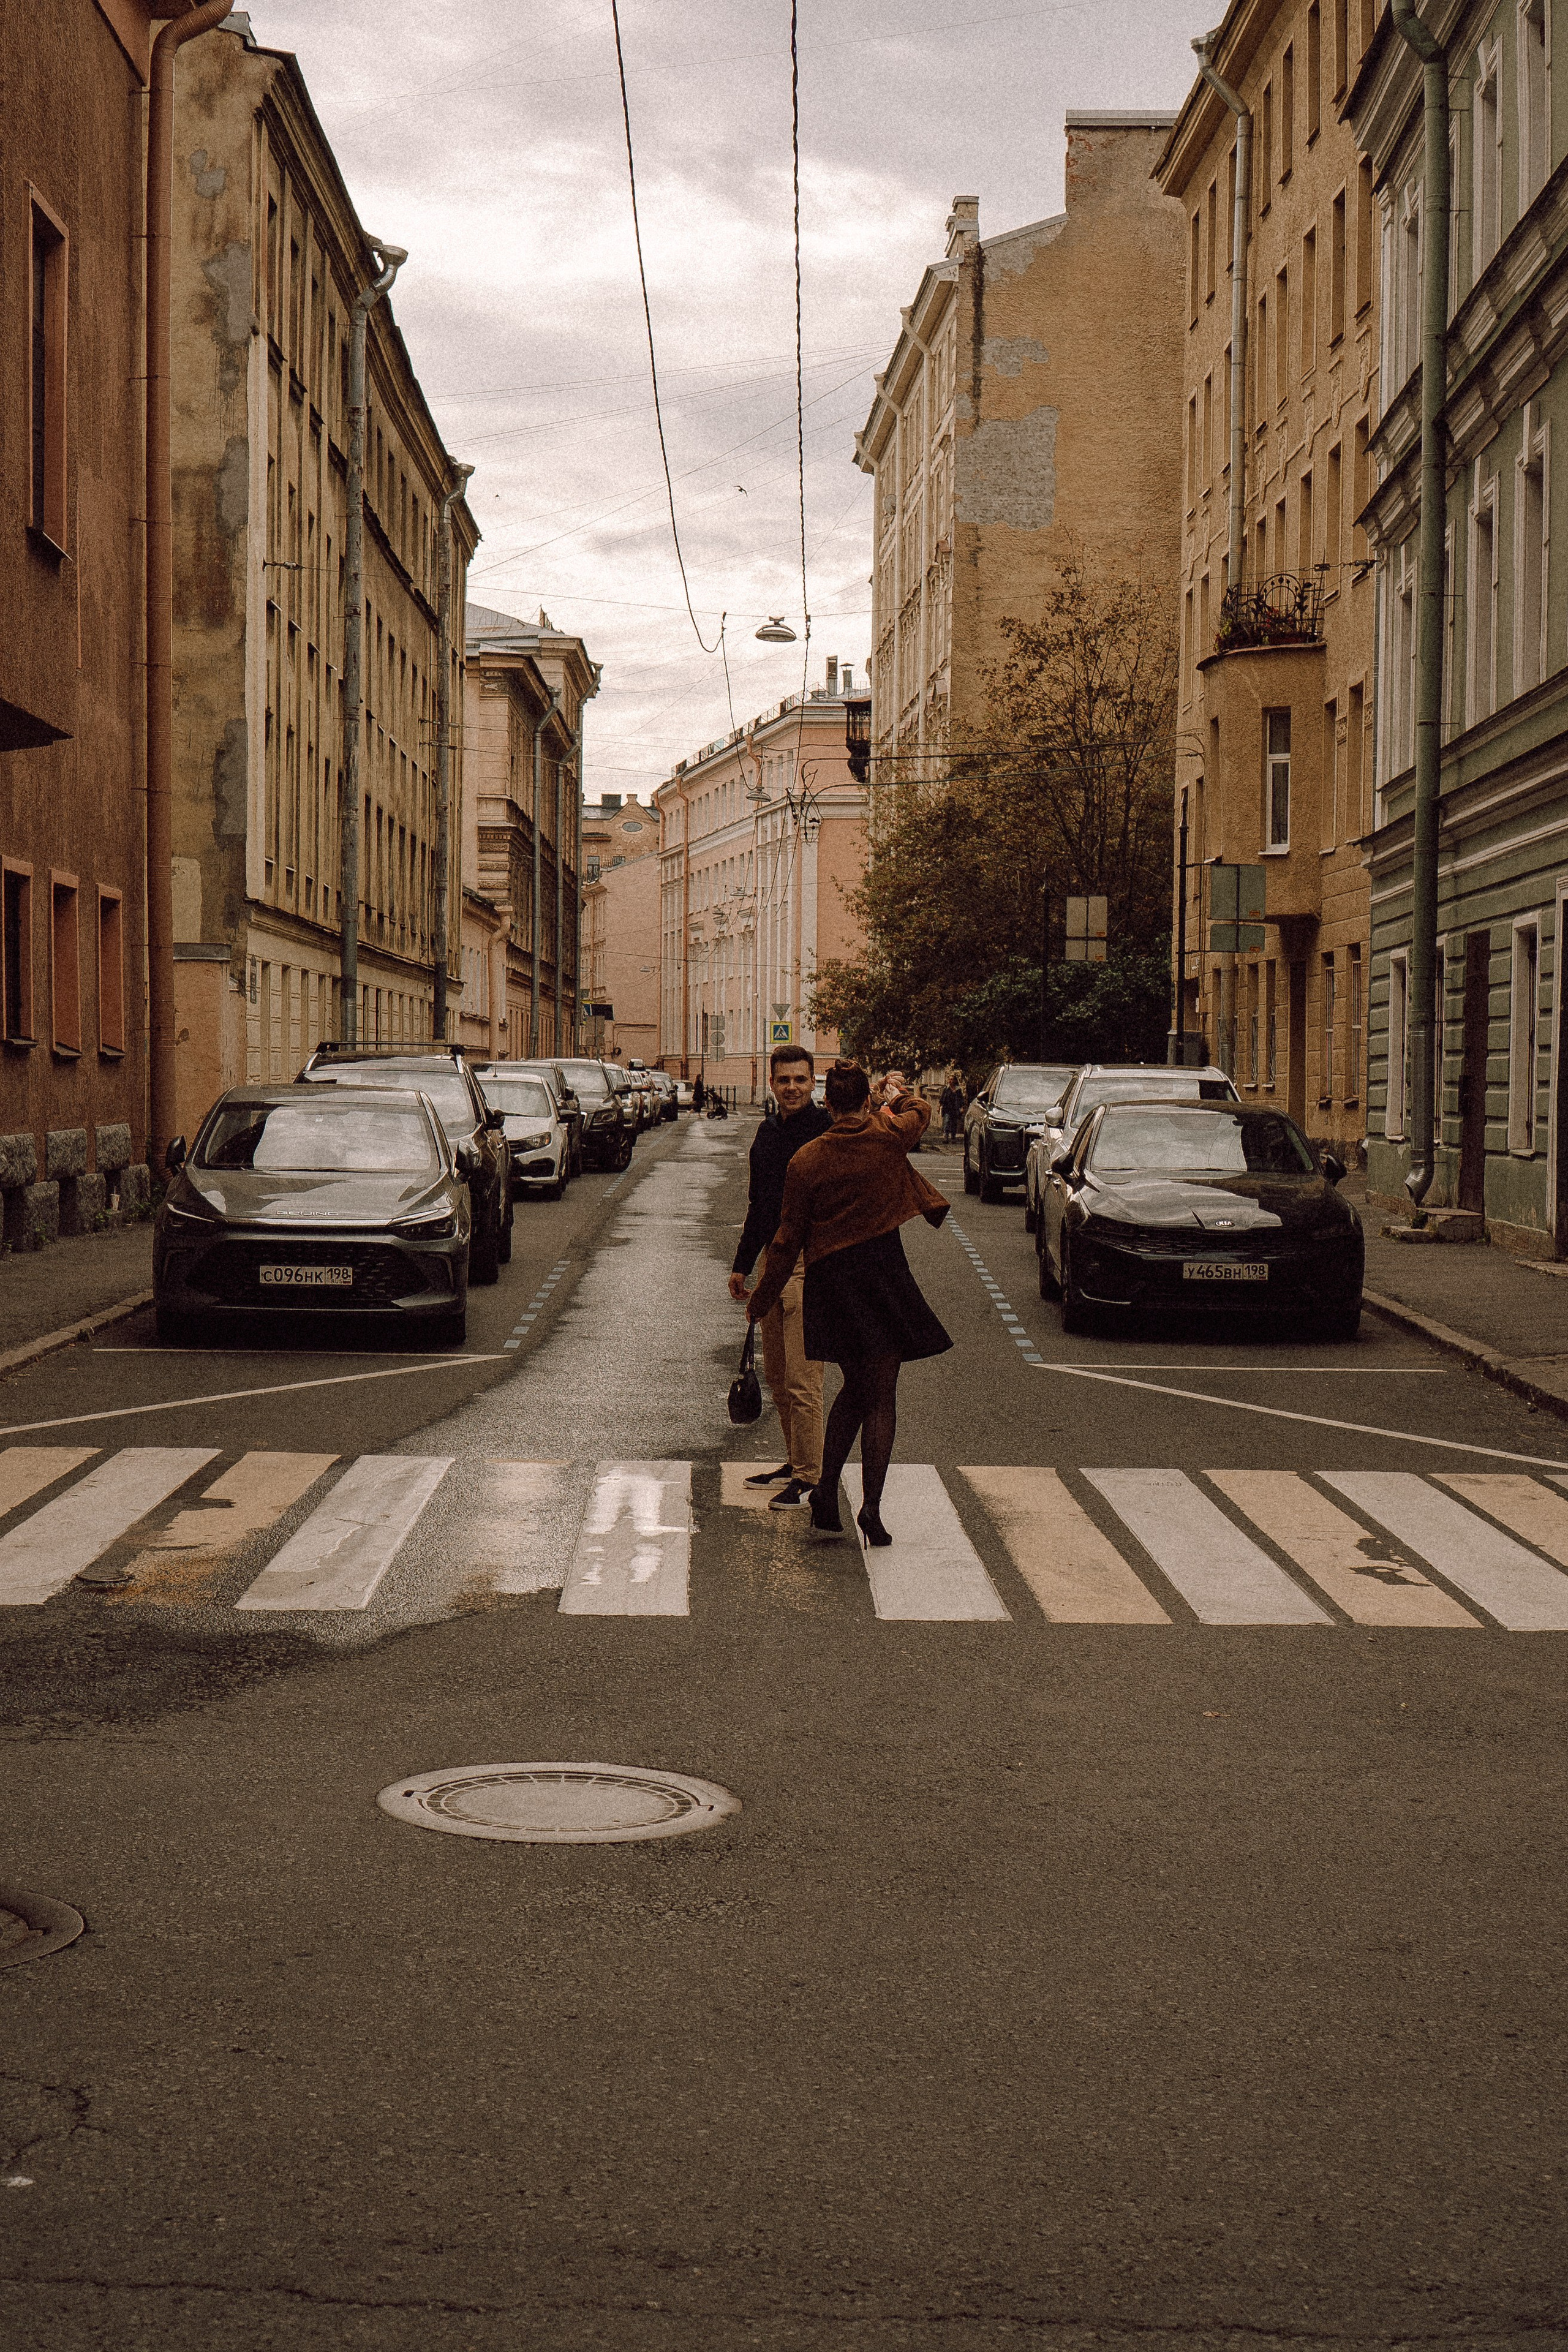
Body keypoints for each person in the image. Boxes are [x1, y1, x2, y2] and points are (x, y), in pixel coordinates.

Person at [746, 1059, 951, 1548]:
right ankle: (871, 1509)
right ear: (864, 1102)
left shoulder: (808, 1159)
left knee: (856, 1388)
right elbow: (920, 1111)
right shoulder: (888, 1134)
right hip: (884, 1274)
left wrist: (763, 1297)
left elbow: (787, 1238)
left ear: (827, 1103)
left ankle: (824, 1494)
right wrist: (895, 1095)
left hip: (833, 1281)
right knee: (880, 1396)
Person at [729, 1046, 832, 1510]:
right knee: (776, 1374)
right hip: (774, 1262)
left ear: (814, 1084)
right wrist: (742, 1263)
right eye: (784, 1080)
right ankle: (796, 1461)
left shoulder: (827, 1135)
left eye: (801, 1080)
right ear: (772, 1084)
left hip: (810, 1266)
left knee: (803, 1378)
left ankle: (811, 1478)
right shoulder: (768, 1133)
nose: (792, 1087)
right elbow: (760, 1206)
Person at [940, 1075, 964, 1144]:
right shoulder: (946, 1089)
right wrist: (939, 1106)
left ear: (955, 1081)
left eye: (952, 1080)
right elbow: (942, 1099)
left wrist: (962, 1107)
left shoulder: (958, 1090)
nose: (950, 1081)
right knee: (946, 1123)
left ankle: (953, 1138)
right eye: (949, 1080)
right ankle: (946, 1138)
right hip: (947, 1108)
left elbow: (961, 1099)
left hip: (955, 1109)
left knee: (954, 1124)